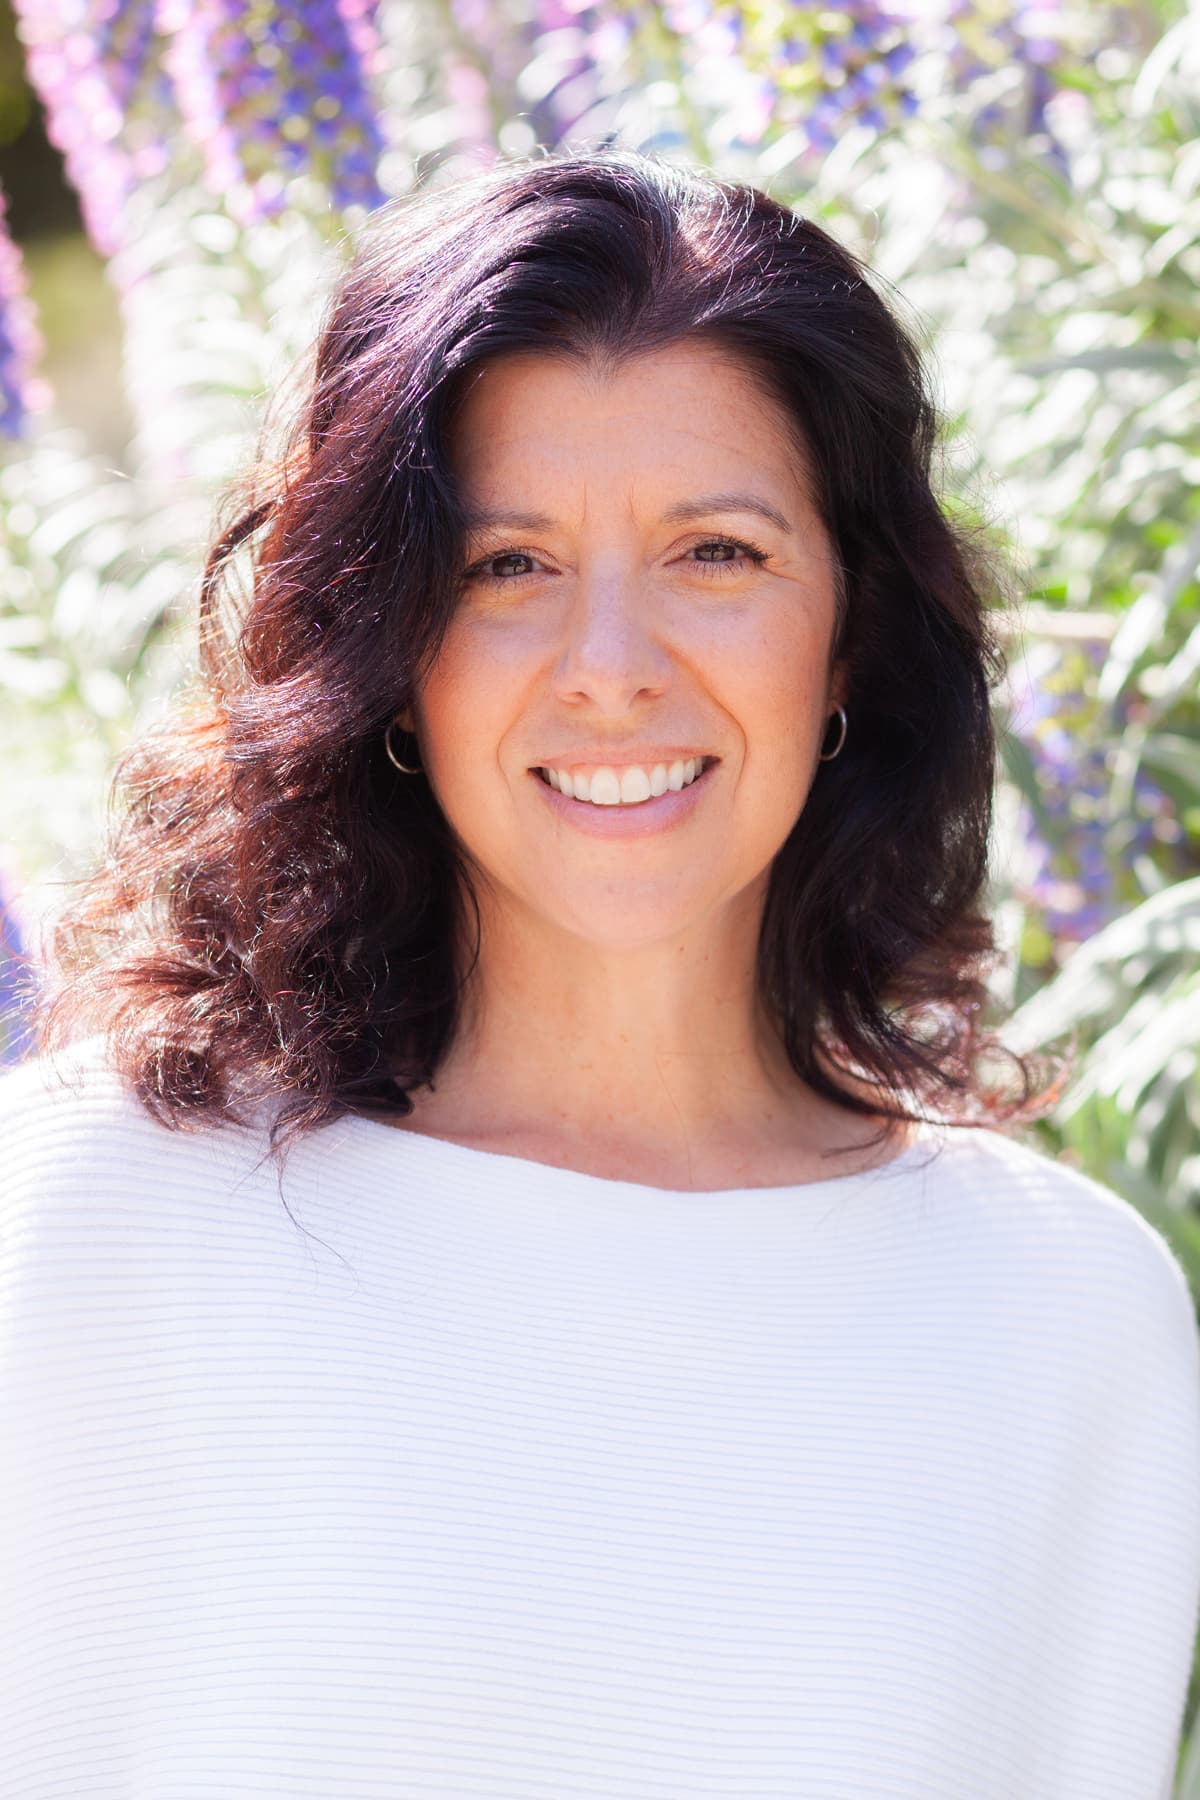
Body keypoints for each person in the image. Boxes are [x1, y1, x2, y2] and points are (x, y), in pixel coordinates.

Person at [1, 149, 1197, 1799]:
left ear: (847, 628)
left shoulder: (1071, 1315)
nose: (613, 672)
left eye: (718, 552)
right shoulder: (79, 1222)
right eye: (509, 567)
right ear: (387, 648)